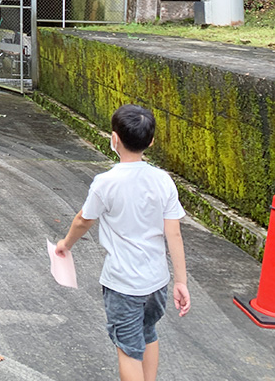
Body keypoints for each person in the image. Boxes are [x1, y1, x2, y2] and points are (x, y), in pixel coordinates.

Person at [55, 105, 190, 381]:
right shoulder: (162, 180)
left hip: (123, 283)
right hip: (157, 282)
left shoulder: (106, 182)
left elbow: (84, 220)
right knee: (148, 332)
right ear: (151, 141)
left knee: (128, 349)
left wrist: (65, 244)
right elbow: (173, 233)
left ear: (114, 139)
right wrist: (181, 281)